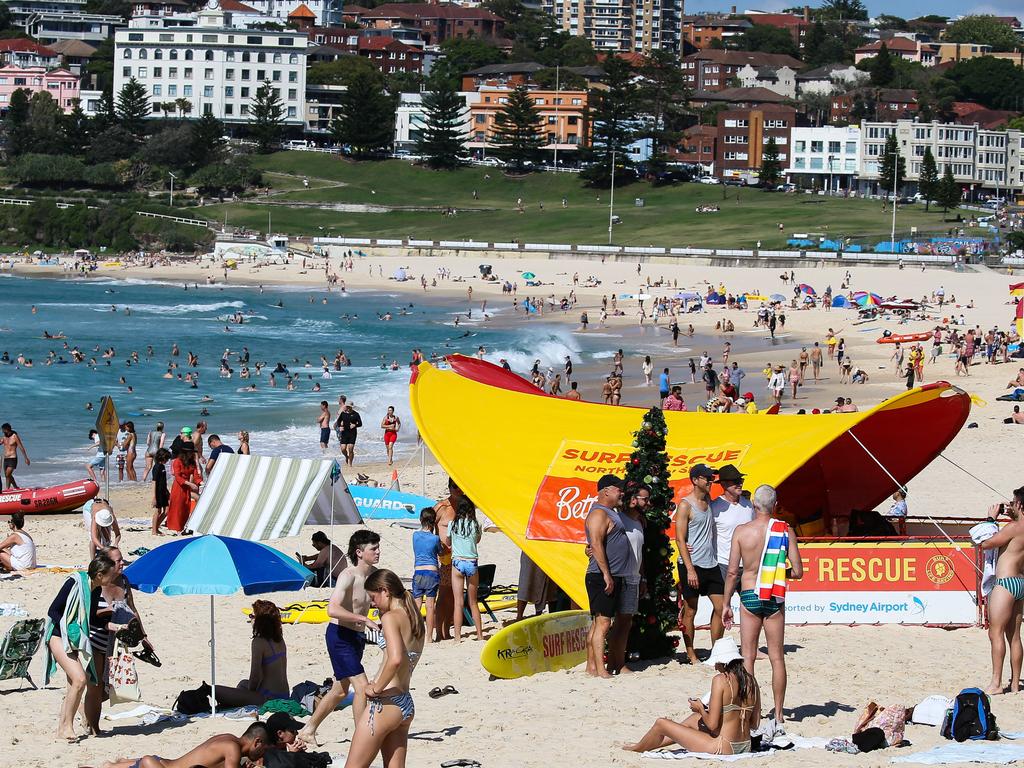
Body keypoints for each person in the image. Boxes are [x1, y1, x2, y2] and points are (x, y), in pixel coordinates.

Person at [722, 484, 803, 729]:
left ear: (754, 505)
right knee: (777, 657)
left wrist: (726, 603)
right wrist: (777, 572)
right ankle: (778, 715)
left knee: (748, 657)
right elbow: (798, 572)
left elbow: (733, 572)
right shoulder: (785, 531)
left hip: (749, 594)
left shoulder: (741, 531)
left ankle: (751, 714)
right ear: (775, 505)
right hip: (774, 595)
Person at [298, 530, 381, 747]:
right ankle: (362, 738)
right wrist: (363, 618)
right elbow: (332, 609)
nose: (378, 552)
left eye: (378, 547)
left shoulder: (375, 575)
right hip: (340, 636)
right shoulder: (348, 575)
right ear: (359, 552)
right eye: (373, 548)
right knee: (362, 686)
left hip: (357, 637)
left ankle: (308, 729)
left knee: (340, 690)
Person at [345, 569, 425, 768]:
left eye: (373, 597)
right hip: (405, 702)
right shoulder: (415, 618)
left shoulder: (391, 617)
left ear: (385, 591)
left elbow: (396, 659)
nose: (373, 603)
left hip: (385, 704)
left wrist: (375, 688)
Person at [622, 642, 759, 755]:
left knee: (661, 723)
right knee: (694, 720)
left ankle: (637, 748)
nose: (715, 667)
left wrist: (700, 708)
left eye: (717, 663)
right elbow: (754, 723)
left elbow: (712, 725)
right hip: (745, 745)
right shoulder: (752, 681)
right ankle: (645, 744)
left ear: (723, 662)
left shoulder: (720, 680)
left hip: (724, 747)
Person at [43, 554, 119, 742]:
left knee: (73, 685)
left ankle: (63, 728)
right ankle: (66, 727)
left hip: (75, 639)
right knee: (80, 679)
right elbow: (53, 610)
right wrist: (70, 627)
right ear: (100, 575)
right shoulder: (75, 582)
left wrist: (113, 626)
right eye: (111, 574)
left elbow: (91, 618)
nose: (113, 577)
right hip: (58, 635)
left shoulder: (94, 589)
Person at [84, 545, 156, 735]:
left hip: (116, 643)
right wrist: (108, 611)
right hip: (95, 639)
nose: (122, 563)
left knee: (109, 688)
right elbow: (89, 614)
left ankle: (85, 711)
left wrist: (144, 635)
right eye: (117, 561)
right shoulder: (97, 583)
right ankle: (94, 727)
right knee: (96, 685)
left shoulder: (123, 580)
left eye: (122, 559)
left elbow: (132, 608)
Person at [675, 464, 725, 665]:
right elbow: (679, 539)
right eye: (706, 478)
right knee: (690, 610)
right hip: (692, 565)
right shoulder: (686, 505)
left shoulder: (710, 502)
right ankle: (690, 653)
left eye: (711, 478)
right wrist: (689, 570)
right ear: (695, 480)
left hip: (710, 563)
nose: (710, 481)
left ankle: (717, 650)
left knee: (721, 608)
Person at [980, 489, 1024, 695]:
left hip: (1005, 583)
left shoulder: (1014, 527)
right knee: (1014, 636)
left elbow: (987, 543)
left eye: (1014, 502)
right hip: (1020, 582)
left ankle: (996, 683)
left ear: (1021, 505)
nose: (1011, 505)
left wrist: (991, 519)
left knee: (994, 632)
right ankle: (1015, 684)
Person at [584, 474, 627, 678]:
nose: (622, 492)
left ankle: (591, 667)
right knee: (603, 623)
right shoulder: (599, 514)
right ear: (606, 490)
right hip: (601, 575)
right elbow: (596, 544)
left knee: (598, 622)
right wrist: (606, 574)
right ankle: (601, 669)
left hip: (610, 574)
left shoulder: (610, 512)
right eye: (618, 489)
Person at [214, 600, 290, 707]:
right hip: (284, 694)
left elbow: (255, 677)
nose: (250, 619)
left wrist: (247, 694)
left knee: (215, 690)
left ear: (260, 621)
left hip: (269, 698)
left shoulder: (258, 642)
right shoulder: (279, 639)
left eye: (252, 616)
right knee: (242, 683)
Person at [608, 483, 649, 673]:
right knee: (615, 622)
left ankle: (618, 662)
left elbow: (640, 553)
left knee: (626, 622)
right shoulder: (619, 520)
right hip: (619, 575)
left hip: (633, 576)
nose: (648, 503)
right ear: (633, 500)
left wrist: (642, 579)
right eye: (644, 499)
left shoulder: (639, 522)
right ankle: (615, 663)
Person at [102, 721, 270, 768]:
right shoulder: (232, 749)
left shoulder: (228, 738)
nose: (262, 754)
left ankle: (118, 763)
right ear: (257, 742)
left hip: (160, 762)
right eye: (264, 749)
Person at [445, 496, 483, 642]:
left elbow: (448, 541)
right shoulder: (475, 524)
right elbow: (477, 540)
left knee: (458, 602)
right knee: (473, 602)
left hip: (458, 562)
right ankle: (479, 635)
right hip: (472, 561)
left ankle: (457, 637)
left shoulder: (453, 524)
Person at [710, 465, 753, 582]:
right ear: (723, 484)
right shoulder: (714, 507)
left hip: (748, 564)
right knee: (724, 600)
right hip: (724, 564)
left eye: (741, 480)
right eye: (735, 481)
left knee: (748, 600)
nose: (740, 484)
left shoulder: (749, 504)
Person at [431, 478, 462, 642]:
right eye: (454, 487)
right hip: (444, 557)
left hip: (459, 555)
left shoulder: (464, 507)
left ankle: (447, 631)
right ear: (449, 488)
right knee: (443, 594)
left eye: (460, 487)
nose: (458, 490)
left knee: (452, 595)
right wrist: (438, 545)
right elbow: (427, 526)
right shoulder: (442, 507)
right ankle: (438, 633)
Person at [411, 507, 441, 643]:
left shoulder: (415, 535)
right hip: (431, 572)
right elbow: (440, 552)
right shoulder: (435, 539)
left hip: (418, 571)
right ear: (433, 521)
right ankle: (429, 637)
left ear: (421, 520)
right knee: (430, 607)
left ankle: (415, 635)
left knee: (416, 606)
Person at [167, 443, 200, 533]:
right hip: (179, 487)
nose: (192, 454)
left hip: (187, 487)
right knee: (178, 507)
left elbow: (195, 474)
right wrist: (190, 484)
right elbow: (178, 477)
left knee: (186, 507)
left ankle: (182, 527)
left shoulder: (191, 462)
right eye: (190, 452)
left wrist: (199, 482)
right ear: (185, 453)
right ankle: (175, 528)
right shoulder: (177, 461)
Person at [1, 422, 29, 489]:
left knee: (8, 474)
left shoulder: (14, 436)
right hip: (6, 459)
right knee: (7, 475)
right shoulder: (4, 437)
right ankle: (13, 488)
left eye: (3, 430)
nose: (2, 431)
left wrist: (26, 458)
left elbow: (21, 447)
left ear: (7, 429)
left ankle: (10, 488)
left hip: (12, 458)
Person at [335, 402, 363, 467]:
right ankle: (346, 456)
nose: (347, 408)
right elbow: (338, 421)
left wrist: (355, 425)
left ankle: (350, 462)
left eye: (349, 407)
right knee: (343, 449)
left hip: (352, 433)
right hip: (344, 433)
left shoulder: (356, 414)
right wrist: (340, 426)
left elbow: (360, 424)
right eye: (347, 406)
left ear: (351, 407)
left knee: (350, 448)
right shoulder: (343, 413)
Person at [151, 448, 171, 535]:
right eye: (166, 458)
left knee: (167, 510)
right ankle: (154, 530)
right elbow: (154, 482)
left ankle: (157, 527)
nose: (167, 460)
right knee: (157, 511)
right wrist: (154, 497)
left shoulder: (162, 467)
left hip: (163, 491)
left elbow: (163, 481)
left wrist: (167, 492)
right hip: (158, 492)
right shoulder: (157, 467)